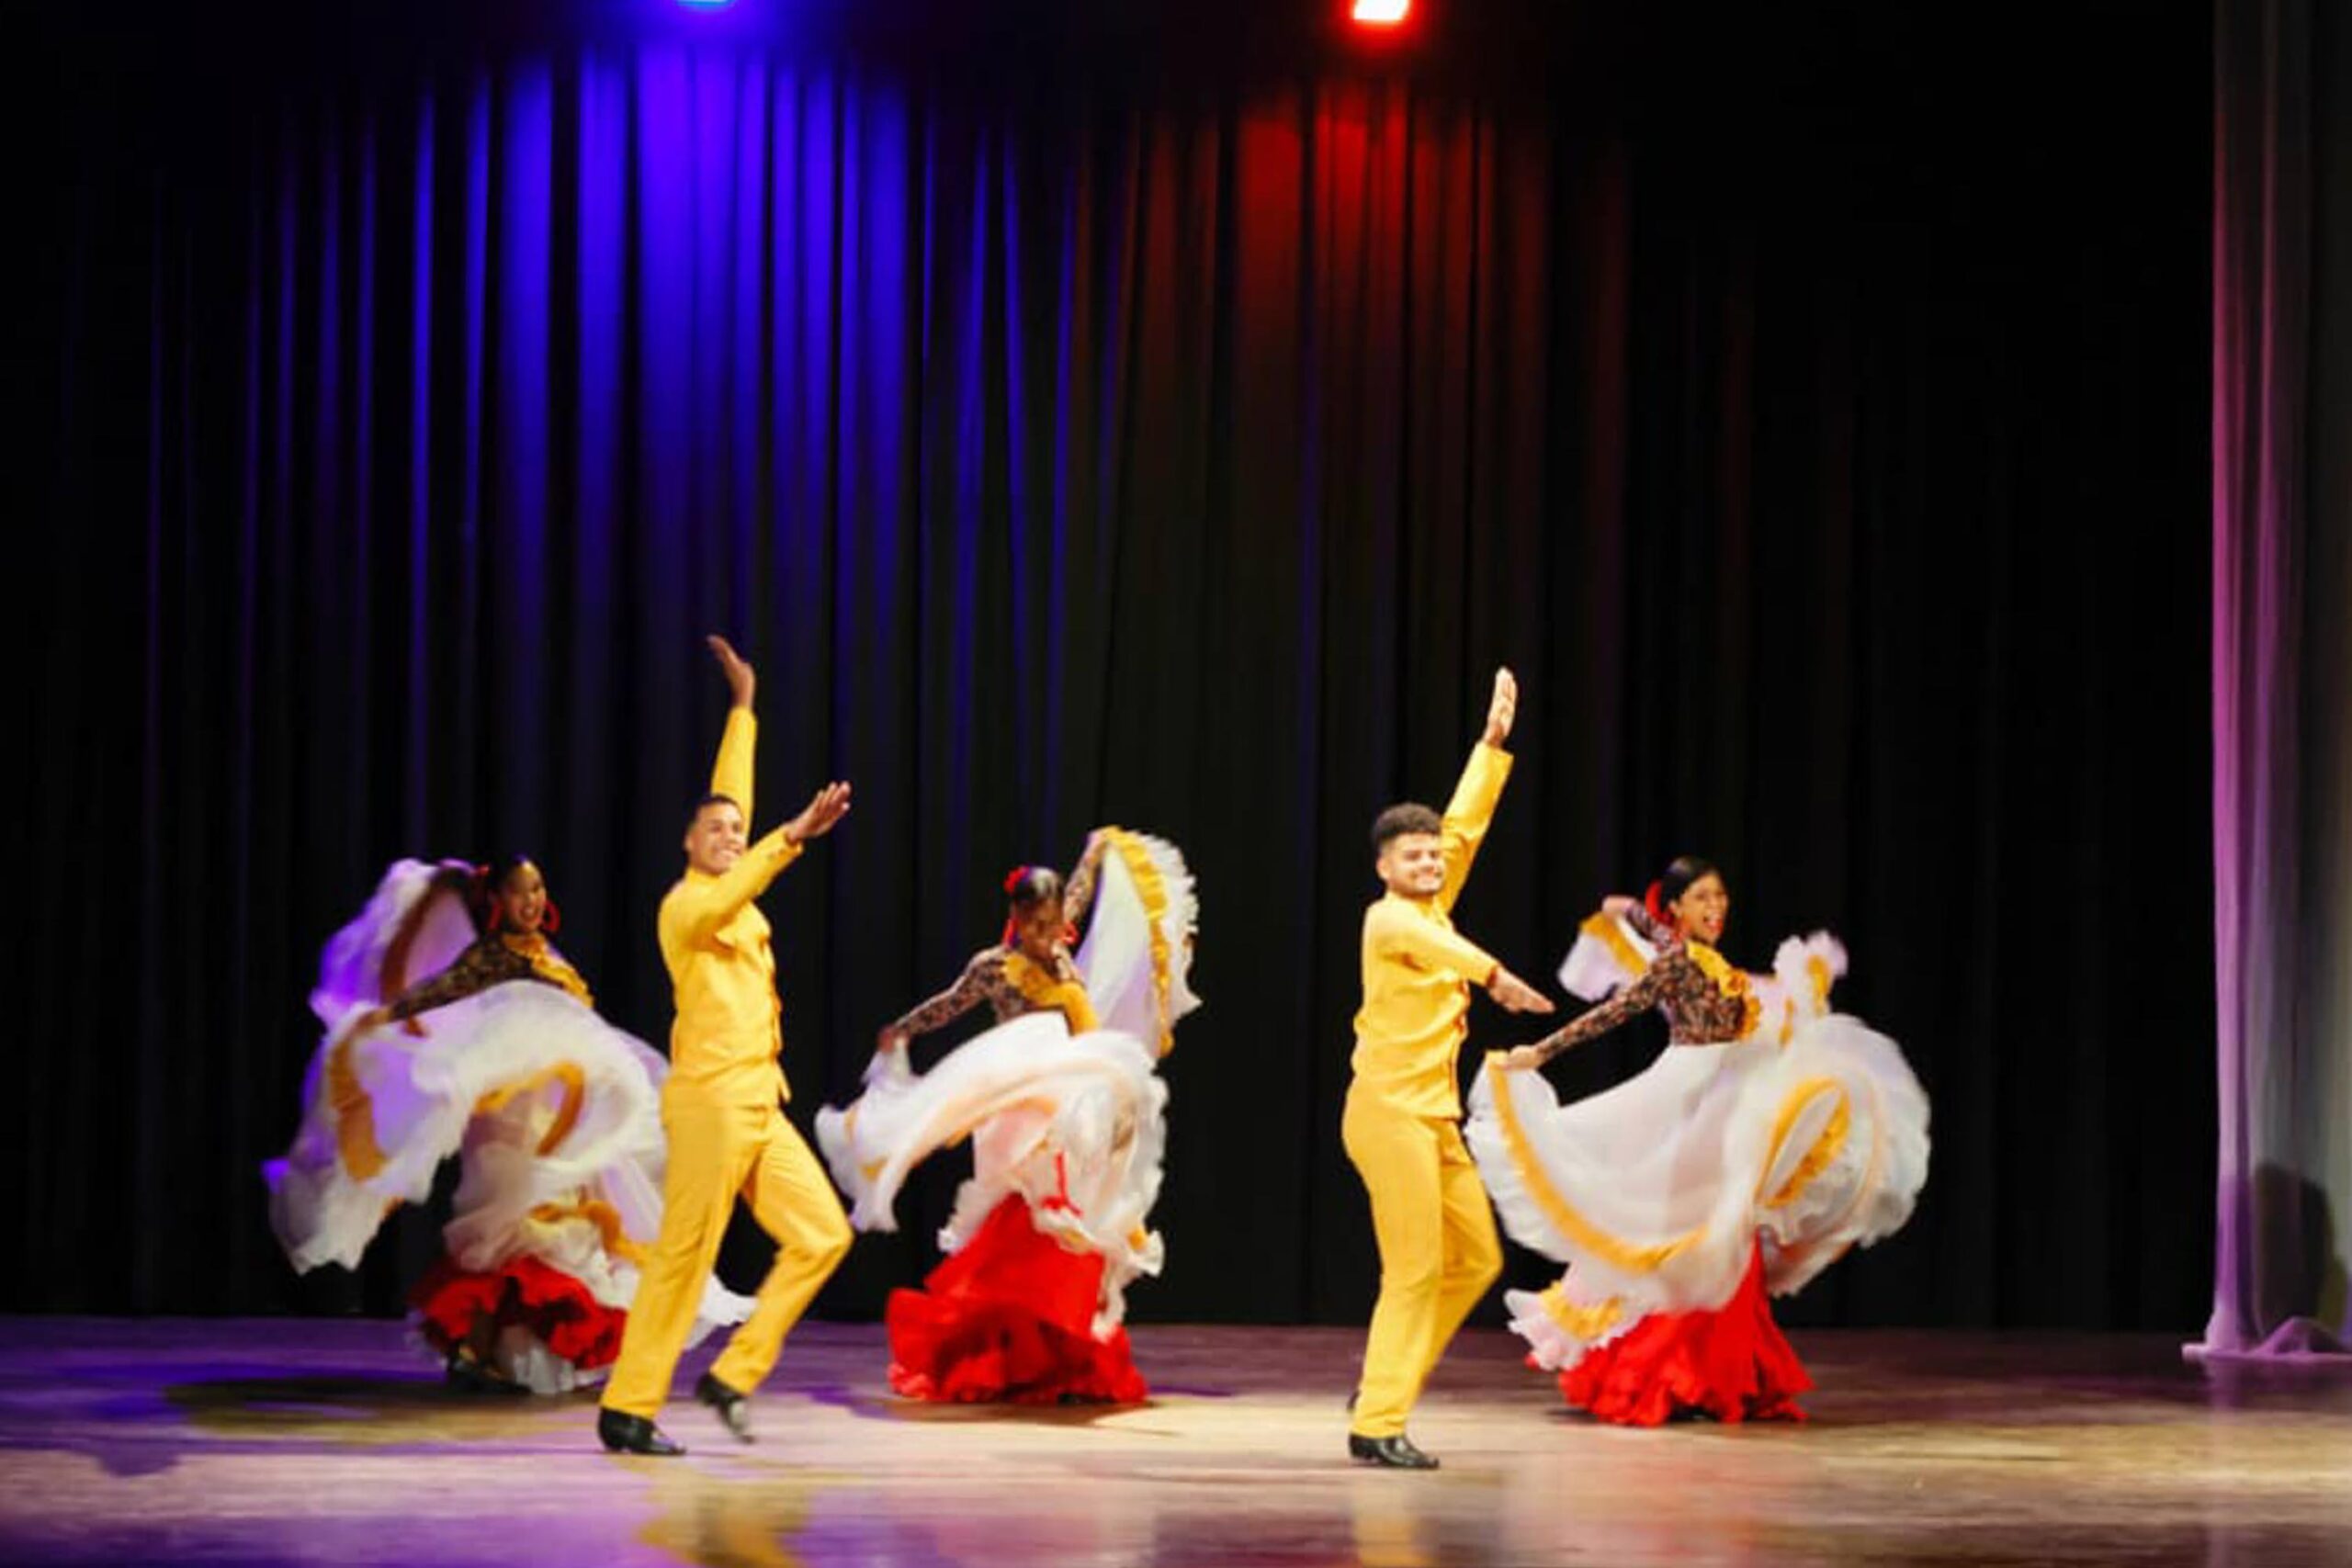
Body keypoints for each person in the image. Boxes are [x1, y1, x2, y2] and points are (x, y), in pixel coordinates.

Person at [1469, 856, 1930, 1426]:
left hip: (1723, 1098)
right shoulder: (1679, 962)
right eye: (1702, 899)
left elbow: (1640, 917)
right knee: (1690, 1228)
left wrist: (1633, 911)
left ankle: (1718, 1377)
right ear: (1681, 908)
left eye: (1720, 898)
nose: (1715, 908)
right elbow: (1615, 1012)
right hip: (1690, 1096)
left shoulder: (1700, 954)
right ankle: (1667, 1377)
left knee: (1723, 1227)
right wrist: (1540, 1053)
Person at [267, 857, 748, 1393]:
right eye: (520, 892)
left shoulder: (544, 955)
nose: (533, 901)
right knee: (510, 1220)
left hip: (559, 1111)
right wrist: (380, 1021)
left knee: (558, 1221)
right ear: (498, 901)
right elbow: (438, 994)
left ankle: (497, 1348)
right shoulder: (491, 957)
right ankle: (478, 1347)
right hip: (511, 1114)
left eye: (538, 888)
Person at [817, 829, 1200, 1404]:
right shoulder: (995, 967)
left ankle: (1060, 1352)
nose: (1048, 936)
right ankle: (998, 1354)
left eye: (1054, 925)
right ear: (1017, 919)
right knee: (1023, 1214)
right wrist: (904, 1029)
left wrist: (1094, 854)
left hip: (1069, 1088)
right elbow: (949, 1003)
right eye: (1036, 926)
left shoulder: (1062, 946)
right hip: (1016, 1092)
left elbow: (1076, 891)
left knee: (1072, 1223)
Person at [594, 637, 855, 1457]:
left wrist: (743, 709)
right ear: (687, 844)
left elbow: (730, 803)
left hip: (759, 1103)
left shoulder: (736, 885)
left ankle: (734, 1373)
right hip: (708, 1104)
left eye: (736, 828)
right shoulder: (687, 908)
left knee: (824, 1234)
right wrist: (790, 835)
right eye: (713, 829)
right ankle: (627, 1406)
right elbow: (739, 863)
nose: (729, 835)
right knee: (684, 1254)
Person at [1343, 668, 1554, 1470]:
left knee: (1477, 1258)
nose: (1431, 863)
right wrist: (1495, 975)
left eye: (1434, 856)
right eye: (1414, 856)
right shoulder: (1389, 918)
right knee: (1416, 1266)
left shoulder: (1431, 899)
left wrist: (1491, 744)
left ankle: (1378, 1386)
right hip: (1388, 1111)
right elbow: (1444, 949)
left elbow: (1464, 827)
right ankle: (1377, 1419)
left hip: (1433, 1115)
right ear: (1385, 866)